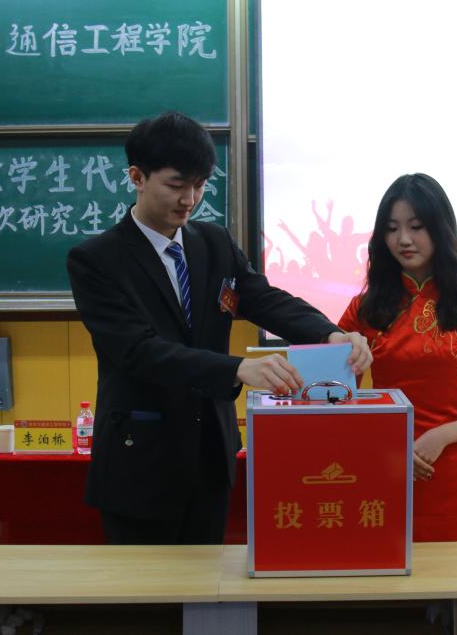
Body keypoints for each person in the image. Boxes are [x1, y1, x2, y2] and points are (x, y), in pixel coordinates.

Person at [67, 111, 371, 545]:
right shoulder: (97, 260)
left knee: (209, 582)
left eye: (200, 185)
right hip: (140, 464)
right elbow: (137, 350)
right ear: (137, 177)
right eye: (176, 185)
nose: (189, 199)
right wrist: (235, 369)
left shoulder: (213, 243)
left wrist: (328, 334)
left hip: (211, 457)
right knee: (145, 586)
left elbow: (263, 298)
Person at [339, 173, 457, 541]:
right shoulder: (363, 310)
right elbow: (339, 401)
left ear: (440, 229)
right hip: (384, 466)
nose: (403, 239)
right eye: (392, 229)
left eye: (416, 227)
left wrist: (441, 436)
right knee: (384, 568)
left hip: (453, 473)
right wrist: (386, 444)